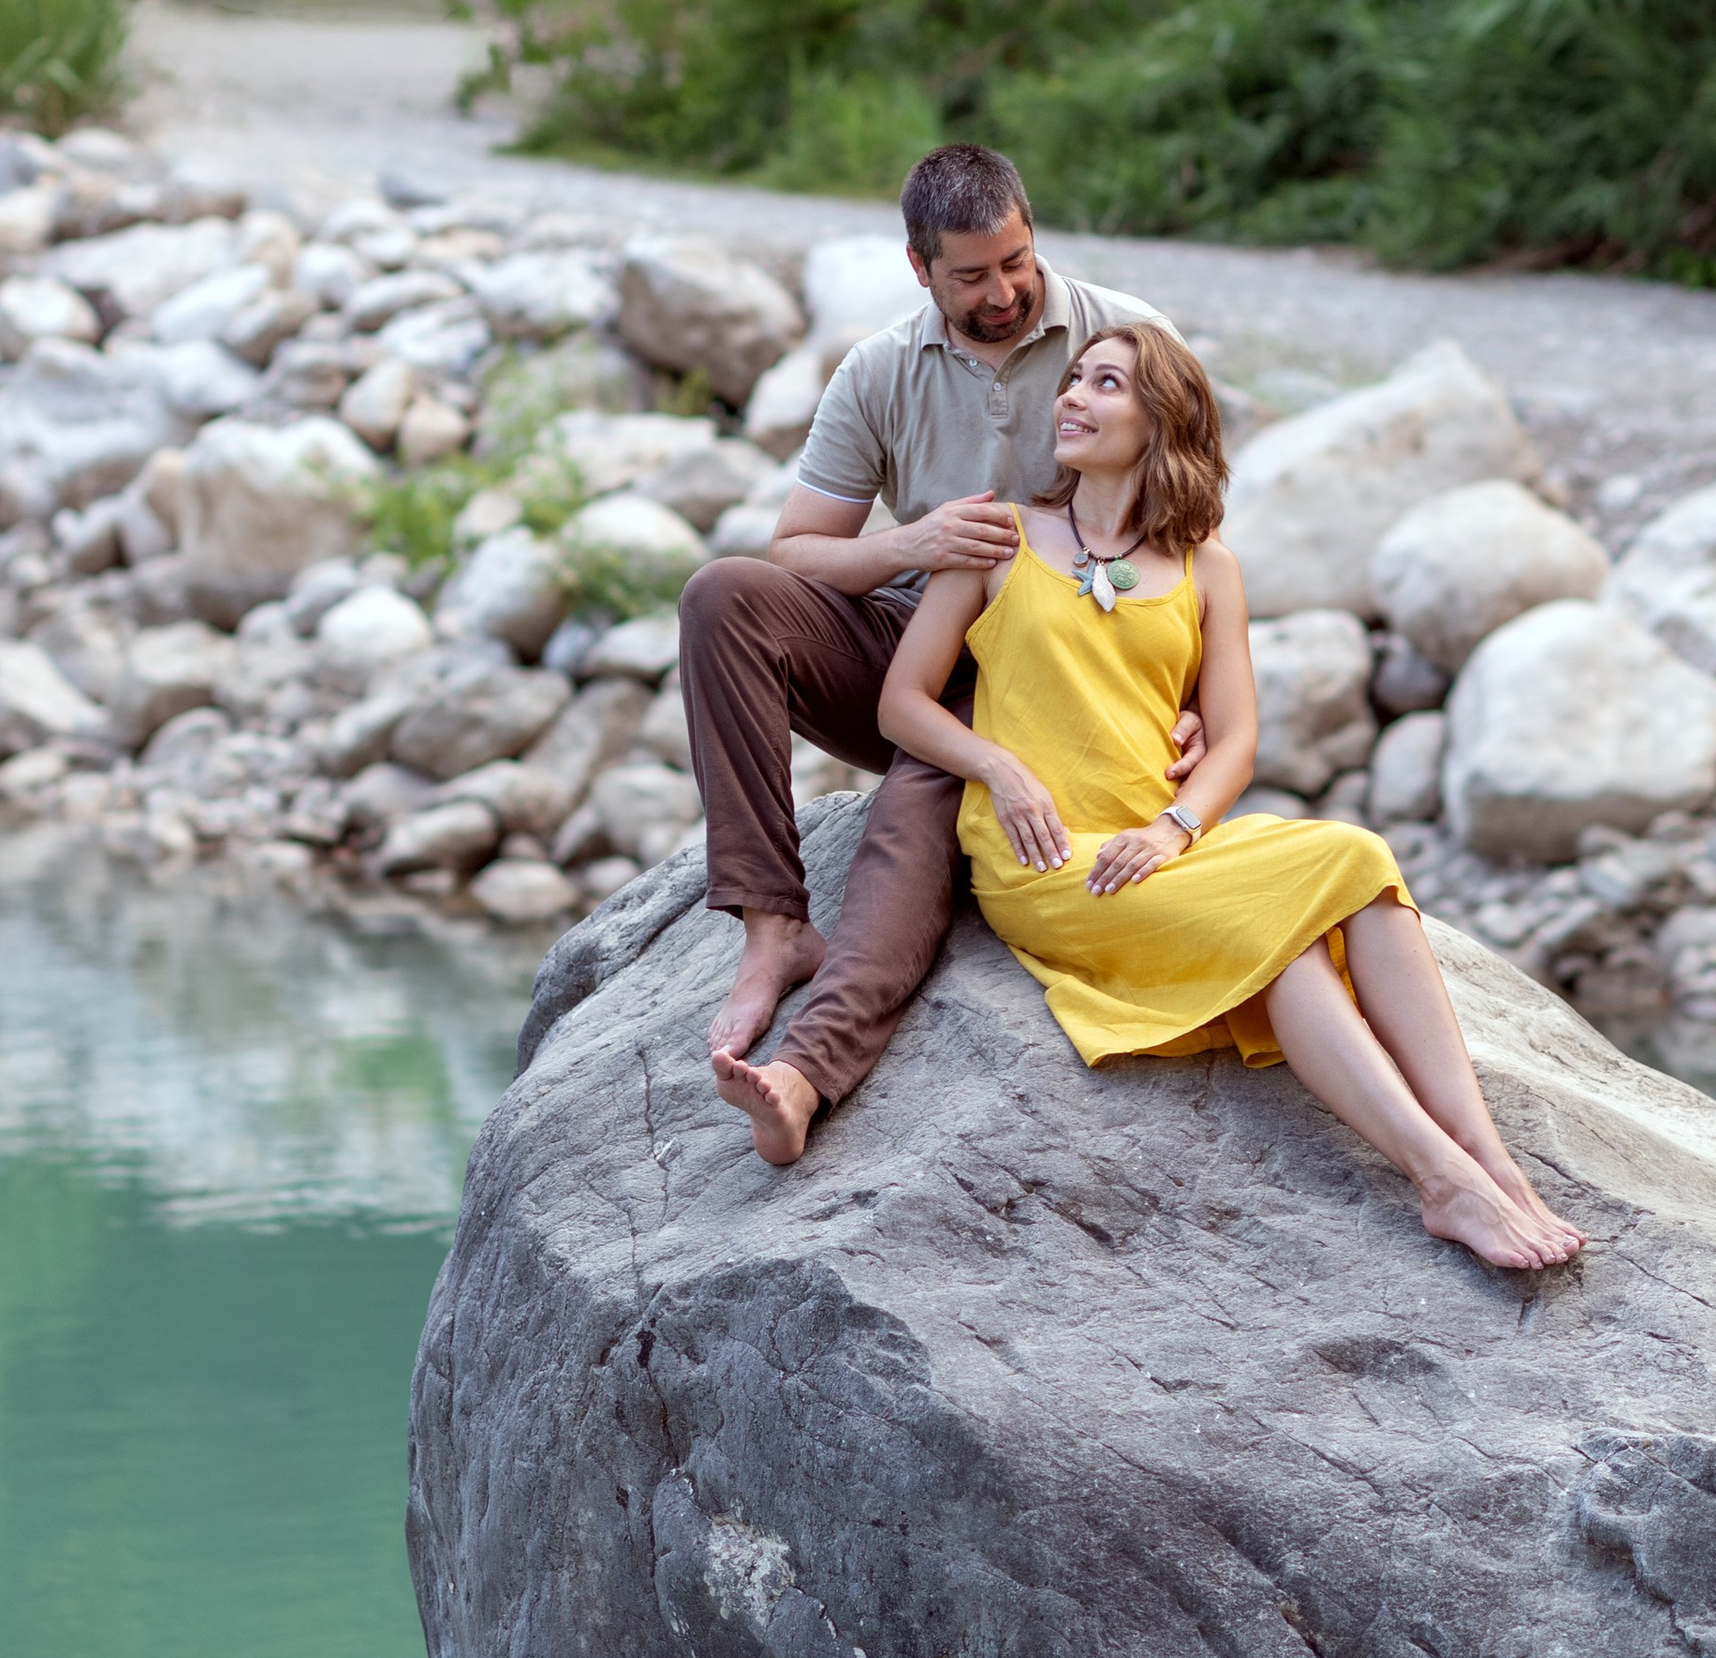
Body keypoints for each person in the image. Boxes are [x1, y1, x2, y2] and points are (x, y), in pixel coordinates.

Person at [876, 322, 1584, 1275]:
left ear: (1160, 417)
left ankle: (1485, 1163)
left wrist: (1176, 826)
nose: (1072, 398)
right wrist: (1001, 769)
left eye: (1106, 383)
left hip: (1157, 845)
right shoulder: (998, 534)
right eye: (1073, 381)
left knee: (1357, 861)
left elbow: (1236, 736)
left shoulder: (1208, 566)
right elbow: (901, 703)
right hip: (1048, 861)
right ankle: (1440, 1178)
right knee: (1284, 937)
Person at [678, 143, 1192, 1166]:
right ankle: (772, 921)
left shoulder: (1125, 342)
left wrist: (1193, 700)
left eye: (1016, 260)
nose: (1002, 290)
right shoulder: (877, 371)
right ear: (919, 269)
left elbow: (1195, 538)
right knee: (723, 594)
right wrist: (908, 544)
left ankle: (807, 1075)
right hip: (913, 645)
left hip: (1052, 682)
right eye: (971, 275)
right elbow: (798, 549)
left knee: (916, 823)